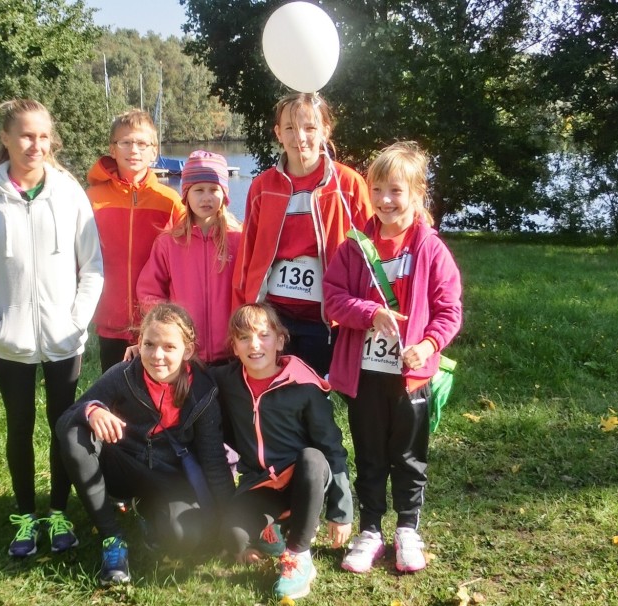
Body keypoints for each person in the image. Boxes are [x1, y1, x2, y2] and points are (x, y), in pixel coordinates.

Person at [0, 98, 104, 558]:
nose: (35, 145)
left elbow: (93, 268)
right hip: (12, 342)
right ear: (5, 139)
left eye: (43, 136)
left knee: (63, 426)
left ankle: (59, 511)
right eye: (25, 135)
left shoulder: (68, 193)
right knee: (19, 426)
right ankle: (25, 516)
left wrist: (76, 322)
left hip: (64, 340)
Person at [323, 141, 463, 574]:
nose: (385, 200)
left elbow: (449, 310)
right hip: (364, 372)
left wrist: (428, 345)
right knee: (368, 453)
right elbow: (332, 299)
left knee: (407, 455)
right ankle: (370, 530)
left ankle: (407, 528)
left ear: (417, 194)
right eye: (378, 189)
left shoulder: (431, 249)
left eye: (396, 191)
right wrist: (370, 314)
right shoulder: (354, 246)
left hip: (411, 377)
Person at [56, 303, 235, 586]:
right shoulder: (124, 373)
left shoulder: (203, 391)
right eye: (149, 344)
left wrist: (229, 521)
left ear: (187, 351)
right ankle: (112, 539)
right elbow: (66, 418)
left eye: (169, 347)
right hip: (122, 466)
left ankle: (148, 510)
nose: (157, 356)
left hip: (166, 477)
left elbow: (214, 460)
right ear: (138, 343)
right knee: (74, 432)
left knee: (186, 539)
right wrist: (92, 410)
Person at [211, 303, 353, 601]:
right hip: (260, 483)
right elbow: (184, 369)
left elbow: (332, 449)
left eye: (264, 335)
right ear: (234, 347)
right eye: (244, 338)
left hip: (304, 479)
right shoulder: (226, 380)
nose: (255, 345)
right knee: (234, 539)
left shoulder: (304, 385)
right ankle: (276, 528)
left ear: (280, 340)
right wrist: (137, 351)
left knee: (312, 457)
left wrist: (341, 511)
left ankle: (298, 555)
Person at [231, 93, 372, 377]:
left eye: (309, 127)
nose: (300, 137)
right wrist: (242, 312)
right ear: (278, 134)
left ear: (325, 131)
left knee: (316, 395)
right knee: (274, 394)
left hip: (327, 318)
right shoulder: (262, 186)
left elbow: (371, 253)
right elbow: (248, 253)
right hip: (273, 315)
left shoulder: (349, 185)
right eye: (290, 128)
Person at [86, 109, 184, 373]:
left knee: (156, 392)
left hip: (156, 319)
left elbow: (190, 248)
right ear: (112, 149)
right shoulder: (92, 198)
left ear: (154, 151)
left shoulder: (169, 200)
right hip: (110, 317)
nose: (134, 150)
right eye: (125, 142)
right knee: (116, 389)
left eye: (142, 144)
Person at [137, 150, 242, 365]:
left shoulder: (238, 239)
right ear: (186, 194)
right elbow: (149, 291)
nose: (206, 197)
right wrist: (171, 326)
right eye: (198, 190)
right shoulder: (168, 243)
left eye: (214, 189)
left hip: (233, 354)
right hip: (185, 354)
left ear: (224, 194)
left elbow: (251, 290)